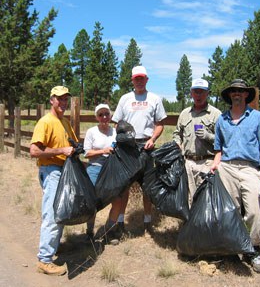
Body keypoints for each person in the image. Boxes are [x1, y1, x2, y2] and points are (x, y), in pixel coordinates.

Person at [211, 79, 260, 273]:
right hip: (227, 167)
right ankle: (232, 247)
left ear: (246, 94)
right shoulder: (222, 119)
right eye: (233, 91)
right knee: (230, 210)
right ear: (229, 95)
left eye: (240, 91)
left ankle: (253, 249)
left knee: (254, 210)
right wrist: (216, 164)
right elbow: (218, 149)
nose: (236, 93)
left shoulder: (258, 117)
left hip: (250, 168)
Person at [112, 65, 167, 235]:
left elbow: (160, 124)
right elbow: (117, 123)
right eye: (136, 78)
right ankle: (120, 222)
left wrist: (152, 139)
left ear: (147, 79)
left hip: (146, 146)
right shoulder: (125, 99)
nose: (139, 81)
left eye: (142, 78)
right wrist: (122, 137)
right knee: (124, 187)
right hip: (127, 149)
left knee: (148, 187)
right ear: (132, 80)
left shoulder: (154, 99)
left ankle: (147, 222)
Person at [30, 86, 77, 276]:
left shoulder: (65, 122)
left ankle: (53, 247)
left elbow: (72, 143)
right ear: (51, 100)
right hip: (51, 171)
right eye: (60, 99)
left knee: (61, 211)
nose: (63, 103)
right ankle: (44, 260)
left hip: (63, 171)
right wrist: (61, 151)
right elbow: (34, 151)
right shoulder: (45, 122)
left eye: (66, 99)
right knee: (52, 213)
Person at [173, 78, 221, 204]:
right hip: (188, 162)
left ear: (208, 94)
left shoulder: (216, 114)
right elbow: (177, 134)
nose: (198, 95)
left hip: (207, 162)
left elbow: (223, 140)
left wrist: (208, 136)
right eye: (196, 92)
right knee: (188, 198)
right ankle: (189, 223)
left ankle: (203, 224)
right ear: (191, 93)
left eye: (202, 92)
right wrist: (177, 143)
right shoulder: (184, 113)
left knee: (205, 200)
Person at [83, 103, 121, 245]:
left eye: (106, 114)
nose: (104, 117)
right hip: (95, 168)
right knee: (92, 201)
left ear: (110, 116)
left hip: (112, 171)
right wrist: (102, 151)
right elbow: (86, 153)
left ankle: (109, 231)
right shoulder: (91, 132)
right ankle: (89, 232)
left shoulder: (115, 132)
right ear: (96, 117)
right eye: (101, 114)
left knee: (117, 200)